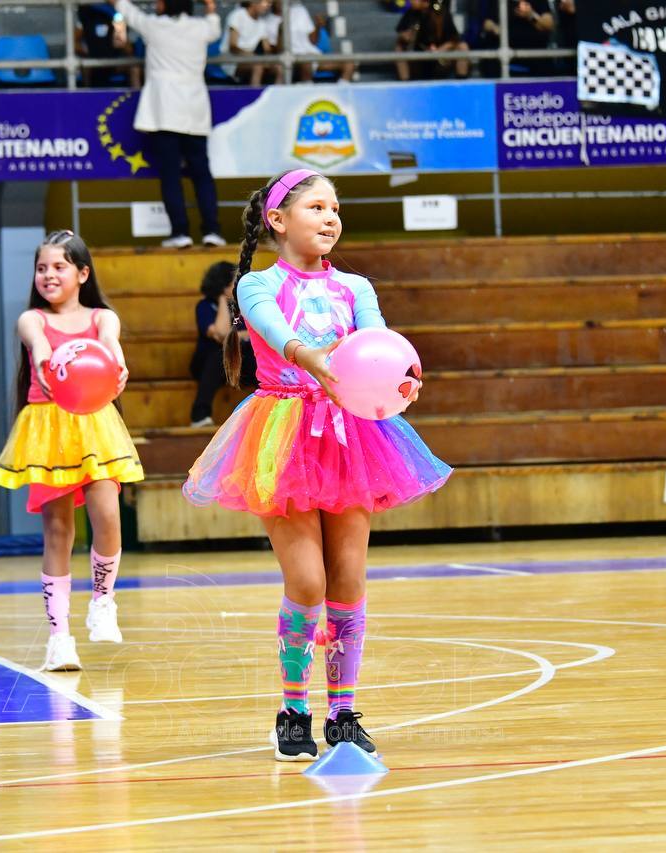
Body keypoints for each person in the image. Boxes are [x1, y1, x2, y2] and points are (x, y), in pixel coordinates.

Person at [182, 170, 451, 761]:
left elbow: (379, 343)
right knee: (307, 582)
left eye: (336, 209)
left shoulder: (355, 287)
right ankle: (293, 708)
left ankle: (343, 713)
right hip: (283, 434)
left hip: (352, 436)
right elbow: (278, 334)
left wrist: (398, 376)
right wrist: (313, 358)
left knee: (348, 579)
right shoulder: (257, 284)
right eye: (317, 207)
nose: (331, 218)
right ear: (278, 220)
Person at [0, 230, 144, 672]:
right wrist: (45, 361)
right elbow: (38, 345)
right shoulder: (33, 319)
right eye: (42, 268)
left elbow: (111, 344)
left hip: (94, 424)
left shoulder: (101, 318)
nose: (49, 275)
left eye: (59, 266)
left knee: (107, 512)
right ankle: (59, 638)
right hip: (48, 426)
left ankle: (102, 601)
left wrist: (117, 363)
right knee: (58, 531)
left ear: (82, 273)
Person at [116, 0, 227, 249]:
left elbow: (126, 10)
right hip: (194, 110)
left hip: (164, 110)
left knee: (170, 175)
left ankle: (180, 232)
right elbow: (214, 25)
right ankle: (212, 231)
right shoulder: (201, 27)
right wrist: (210, 6)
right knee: (201, 173)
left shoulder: (154, 26)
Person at [189, 260, 256, 427]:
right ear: (224, 285)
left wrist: (234, 336)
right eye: (235, 281)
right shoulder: (205, 306)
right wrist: (222, 299)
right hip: (208, 366)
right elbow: (221, 333)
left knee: (257, 357)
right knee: (219, 353)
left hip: (239, 364)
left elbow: (255, 333)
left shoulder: (244, 306)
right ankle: (199, 415)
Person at [267, 0, 356, 82]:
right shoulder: (267, 22)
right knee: (306, 62)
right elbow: (277, 52)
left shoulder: (300, 11)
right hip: (293, 59)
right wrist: (280, 32)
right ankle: (307, 90)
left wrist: (318, 26)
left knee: (349, 63)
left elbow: (312, 41)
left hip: (312, 55)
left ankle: (340, 90)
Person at [395, 0, 472, 80]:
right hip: (419, 57)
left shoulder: (440, 11)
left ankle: (461, 80)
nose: (411, 1)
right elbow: (401, 32)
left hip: (441, 56)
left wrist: (441, 49)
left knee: (463, 46)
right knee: (399, 47)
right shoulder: (411, 13)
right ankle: (405, 82)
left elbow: (454, 39)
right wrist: (405, 36)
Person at [478, 0, 554, 78]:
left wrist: (530, 15)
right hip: (502, 56)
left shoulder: (539, 2)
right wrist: (495, 29)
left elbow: (549, 25)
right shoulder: (496, 2)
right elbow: (486, 23)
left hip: (535, 55)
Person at [76, 2, 144, 88]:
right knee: (82, 64)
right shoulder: (86, 13)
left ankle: (137, 96)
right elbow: (75, 43)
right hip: (92, 60)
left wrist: (120, 36)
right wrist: (86, 51)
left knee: (134, 67)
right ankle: (86, 95)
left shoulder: (116, 14)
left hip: (114, 60)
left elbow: (122, 44)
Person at [227, 0, 281, 85]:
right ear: (253, 2)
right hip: (231, 61)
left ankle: (278, 92)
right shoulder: (238, 15)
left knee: (280, 67)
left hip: (252, 59)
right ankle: (255, 92)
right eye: (266, 2)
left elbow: (267, 50)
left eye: (270, 3)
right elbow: (232, 46)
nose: (268, 5)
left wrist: (280, 34)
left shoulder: (262, 23)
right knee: (258, 66)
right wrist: (252, 57)